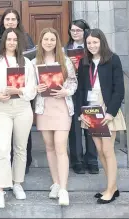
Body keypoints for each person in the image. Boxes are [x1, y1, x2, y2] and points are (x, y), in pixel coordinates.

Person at [0, 28, 37, 208]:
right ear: (4, 42)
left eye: (14, 40)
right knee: (2, 148)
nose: (11, 42)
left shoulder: (27, 63)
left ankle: (17, 183)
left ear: (19, 42)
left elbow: (32, 90)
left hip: (23, 108)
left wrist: (18, 90)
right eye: (8, 39)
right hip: (3, 108)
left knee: (20, 148)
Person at [78, 28, 126, 204]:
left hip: (107, 109)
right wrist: (81, 113)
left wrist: (111, 113)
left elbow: (118, 90)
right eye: (89, 43)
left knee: (107, 150)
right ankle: (111, 187)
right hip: (91, 110)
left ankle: (111, 190)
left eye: (95, 42)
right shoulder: (84, 63)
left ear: (102, 42)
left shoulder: (113, 60)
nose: (91, 46)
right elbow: (82, 90)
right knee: (99, 151)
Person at [33, 28, 77, 206]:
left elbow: (74, 82)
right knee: (49, 147)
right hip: (44, 108)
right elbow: (29, 84)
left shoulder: (65, 60)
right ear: (41, 42)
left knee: (60, 146)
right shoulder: (34, 62)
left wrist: (67, 91)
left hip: (62, 107)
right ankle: (56, 183)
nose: (49, 42)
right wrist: (36, 89)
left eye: (52, 39)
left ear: (56, 42)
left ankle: (64, 189)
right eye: (46, 39)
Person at [0, 8, 36, 174]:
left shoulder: (25, 38)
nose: (10, 22)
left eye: (13, 19)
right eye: (7, 19)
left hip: (22, 95)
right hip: (3, 99)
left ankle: (23, 166)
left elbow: (31, 59)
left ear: (18, 21)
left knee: (22, 139)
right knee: (4, 142)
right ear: (3, 21)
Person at [65, 19, 99, 174]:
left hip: (90, 89)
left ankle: (92, 159)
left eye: (78, 30)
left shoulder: (92, 47)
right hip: (72, 91)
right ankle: (77, 160)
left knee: (92, 125)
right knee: (75, 127)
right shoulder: (65, 49)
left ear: (85, 31)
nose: (75, 33)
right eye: (73, 30)